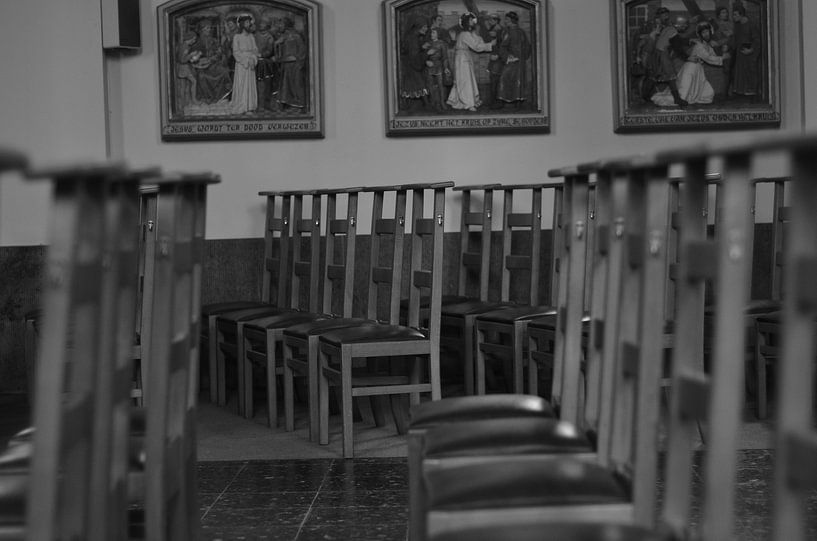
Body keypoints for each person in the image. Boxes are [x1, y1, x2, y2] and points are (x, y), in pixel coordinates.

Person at [655, 21, 729, 106]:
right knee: (684, 94)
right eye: (703, 32)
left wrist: (720, 50)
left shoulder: (706, 44)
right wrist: (723, 58)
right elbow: (709, 58)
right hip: (690, 71)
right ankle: (677, 99)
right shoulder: (699, 45)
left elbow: (713, 55)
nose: (706, 34)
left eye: (707, 32)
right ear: (700, 34)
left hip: (698, 71)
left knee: (707, 94)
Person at [446, 12, 495, 112]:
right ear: (466, 22)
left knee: (465, 79)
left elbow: (477, 41)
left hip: (464, 57)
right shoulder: (464, 34)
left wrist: (487, 42)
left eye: (473, 20)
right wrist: (491, 44)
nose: (473, 21)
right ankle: (468, 104)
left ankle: (459, 101)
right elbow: (476, 47)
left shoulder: (468, 34)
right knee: (465, 80)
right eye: (470, 20)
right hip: (462, 59)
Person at [649, 13, 691, 107]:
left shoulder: (669, 28)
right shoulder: (673, 32)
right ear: (679, 25)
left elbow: (678, 40)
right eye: (684, 26)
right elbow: (678, 48)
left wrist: (688, 41)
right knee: (671, 76)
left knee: (656, 76)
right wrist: (687, 57)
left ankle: (645, 95)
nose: (685, 28)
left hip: (657, 54)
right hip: (662, 55)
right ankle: (677, 99)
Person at [192, 19, 233, 103]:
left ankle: (222, 97)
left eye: (210, 28)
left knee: (225, 72)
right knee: (201, 76)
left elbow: (219, 53)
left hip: (213, 65)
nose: (209, 30)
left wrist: (212, 59)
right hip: (202, 67)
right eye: (207, 28)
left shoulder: (214, 41)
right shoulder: (196, 42)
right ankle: (206, 97)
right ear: (201, 30)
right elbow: (193, 57)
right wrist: (200, 61)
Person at [496, 11, 530, 108]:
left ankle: (517, 101)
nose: (505, 21)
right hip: (512, 60)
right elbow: (503, 47)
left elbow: (527, 46)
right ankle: (506, 101)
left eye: (507, 19)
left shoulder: (516, 32)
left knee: (516, 80)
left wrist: (522, 56)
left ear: (512, 20)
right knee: (506, 78)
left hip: (518, 61)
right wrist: (508, 57)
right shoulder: (508, 31)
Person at [275, 17, 307, 111]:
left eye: (281, 24)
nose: (279, 26)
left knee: (296, 84)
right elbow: (278, 51)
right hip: (285, 64)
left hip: (295, 65)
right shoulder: (283, 37)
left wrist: (299, 62)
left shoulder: (296, 36)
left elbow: (302, 50)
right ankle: (286, 103)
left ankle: (298, 104)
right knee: (285, 85)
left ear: (286, 25)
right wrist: (277, 44)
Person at [400, 18, 431, 111]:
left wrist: (422, 47)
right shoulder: (413, 38)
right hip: (412, 67)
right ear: (418, 27)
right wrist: (427, 54)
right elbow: (415, 57)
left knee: (411, 86)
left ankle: (406, 105)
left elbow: (412, 51)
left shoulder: (412, 36)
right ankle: (426, 105)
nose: (426, 29)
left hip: (409, 65)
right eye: (424, 27)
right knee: (419, 84)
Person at [730, 3, 760, 98]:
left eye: (735, 15)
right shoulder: (737, 25)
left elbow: (757, 40)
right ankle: (741, 90)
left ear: (741, 14)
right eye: (733, 15)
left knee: (750, 70)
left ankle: (751, 90)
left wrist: (751, 50)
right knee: (740, 71)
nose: (733, 17)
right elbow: (735, 38)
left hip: (749, 52)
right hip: (740, 52)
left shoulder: (751, 24)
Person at [230, 14, 259, 114]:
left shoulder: (251, 36)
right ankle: (242, 106)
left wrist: (253, 59)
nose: (249, 24)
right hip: (242, 64)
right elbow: (236, 52)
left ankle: (250, 106)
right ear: (242, 24)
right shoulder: (237, 37)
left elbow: (255, 50)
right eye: (246, 22)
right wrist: (246, 60)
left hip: (251, 63)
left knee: (250, 85)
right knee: (242, 84)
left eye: (249, 22)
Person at [424, 27, 451, 112]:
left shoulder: (442, 44)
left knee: (440, 85)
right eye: (431, 33)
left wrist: (446, 68)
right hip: (430, 66)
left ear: (438, 34)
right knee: (430, 85)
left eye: (434, 33)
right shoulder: (428, 43)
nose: (431, 34)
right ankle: (434, 102)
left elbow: (445, 57)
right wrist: (426, 61)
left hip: (439, 66)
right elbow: (423, 55)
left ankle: (442, 102)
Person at [254, 16, 277, 111]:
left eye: (263, 23)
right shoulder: (255, 35)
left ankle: (265, 104)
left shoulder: (269, 37)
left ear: (267, 26)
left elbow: (269, 50)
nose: (260, 25)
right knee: (256, 85)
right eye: (260, 23)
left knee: (266, 85)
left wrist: (261, 55)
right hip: (255, 61)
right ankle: (256, 104)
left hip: (265, 64)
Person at [176, 30, 201, 106]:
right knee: (193, 81)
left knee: (186, 85)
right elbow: (182, 59)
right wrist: (191, 55)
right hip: (184, 68)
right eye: (193, 39)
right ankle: (193, 100)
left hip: (184, 67)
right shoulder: (185, 47)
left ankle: (185, 101)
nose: (194, 41)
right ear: (190, 38)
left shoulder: (184, 45)